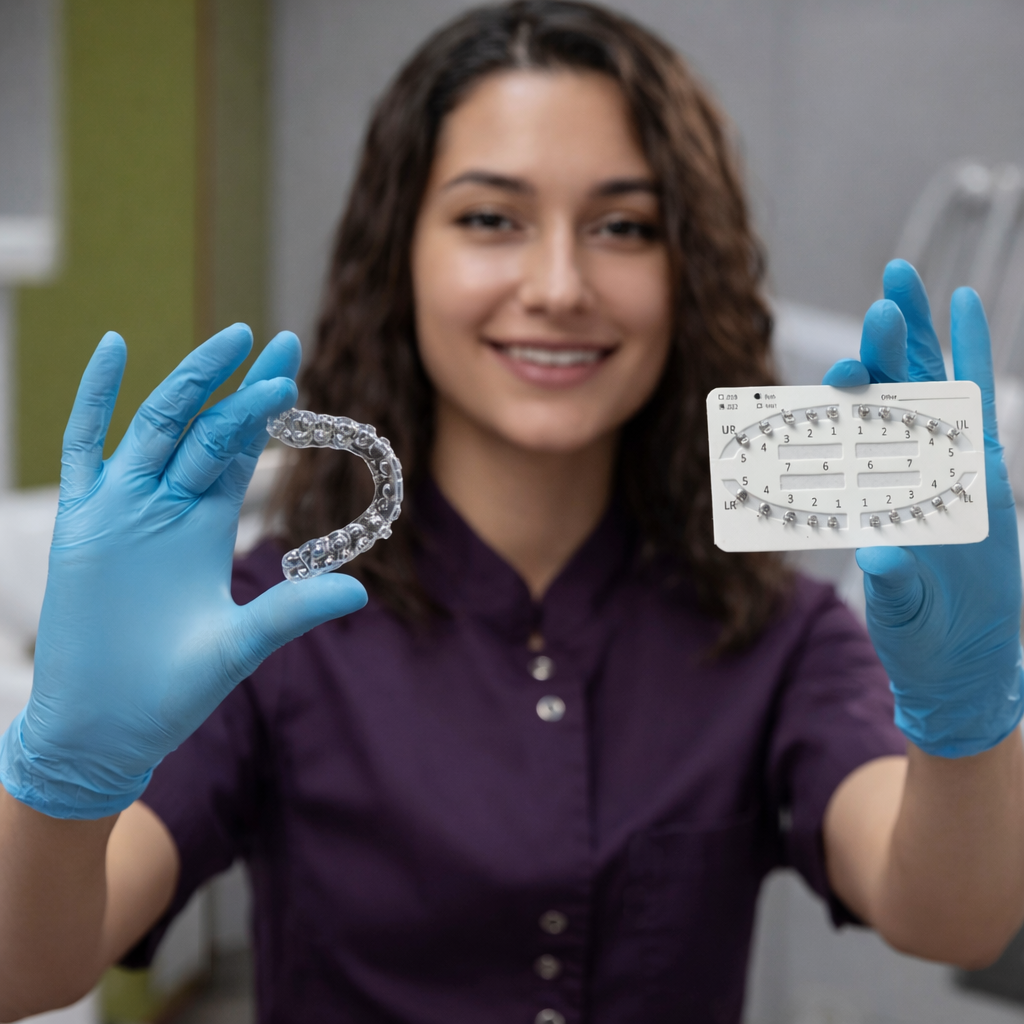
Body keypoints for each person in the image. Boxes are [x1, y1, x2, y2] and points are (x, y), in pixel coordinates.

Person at [1, 3, 1023, 1022]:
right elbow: (28, 969)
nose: (558, 285)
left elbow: (949, 918)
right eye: (490, 218)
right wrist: (63, 775)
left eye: (623, 226)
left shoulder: (775, 633)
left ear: (687, 273)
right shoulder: (265, 625)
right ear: (399, 252)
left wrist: (970, 715)